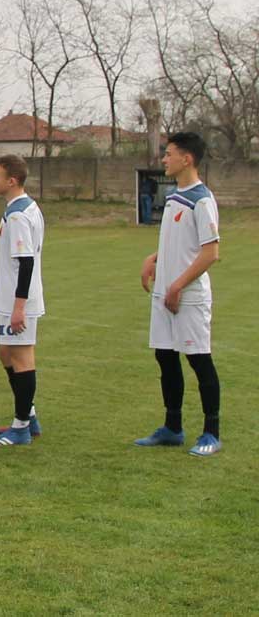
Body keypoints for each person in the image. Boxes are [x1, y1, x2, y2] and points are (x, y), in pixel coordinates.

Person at [136, 132, 222, 457]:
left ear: (187, 159)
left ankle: (211, 433)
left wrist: (178, 285)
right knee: (166, 357)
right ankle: (172, 428)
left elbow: (210, 253)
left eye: (169, 153)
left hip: (188, 296)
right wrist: (154, 259)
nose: (164, 159)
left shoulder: (202, 200)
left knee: (199, 359)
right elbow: (180, 244)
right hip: (165, 293)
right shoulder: (173, 196)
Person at [0, 155, 45, 447]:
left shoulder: (19, 214)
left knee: (21, 357)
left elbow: (26, 262)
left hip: (19, 300)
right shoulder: (23, 207)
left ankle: (20, 428)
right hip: (12, 298)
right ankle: (28, 416)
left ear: (11, 181)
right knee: (6, 353)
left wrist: (19, 307)